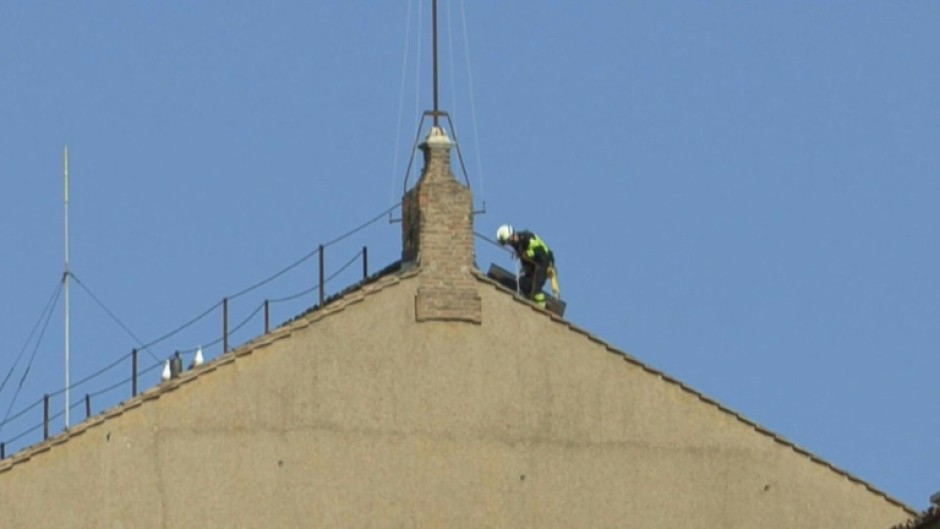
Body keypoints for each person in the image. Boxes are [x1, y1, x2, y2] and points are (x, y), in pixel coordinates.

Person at [496, 224, 556, 308]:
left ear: (512, 235)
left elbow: (540, 251)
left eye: (508, 241)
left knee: (536, 289)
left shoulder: (527, 238)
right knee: (523, 283)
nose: (509, 244)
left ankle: (543, 308)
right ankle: (531, 301)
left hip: (544, 262)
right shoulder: (517, 244)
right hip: (533, 265)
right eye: (507, 243)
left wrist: (527, 254)